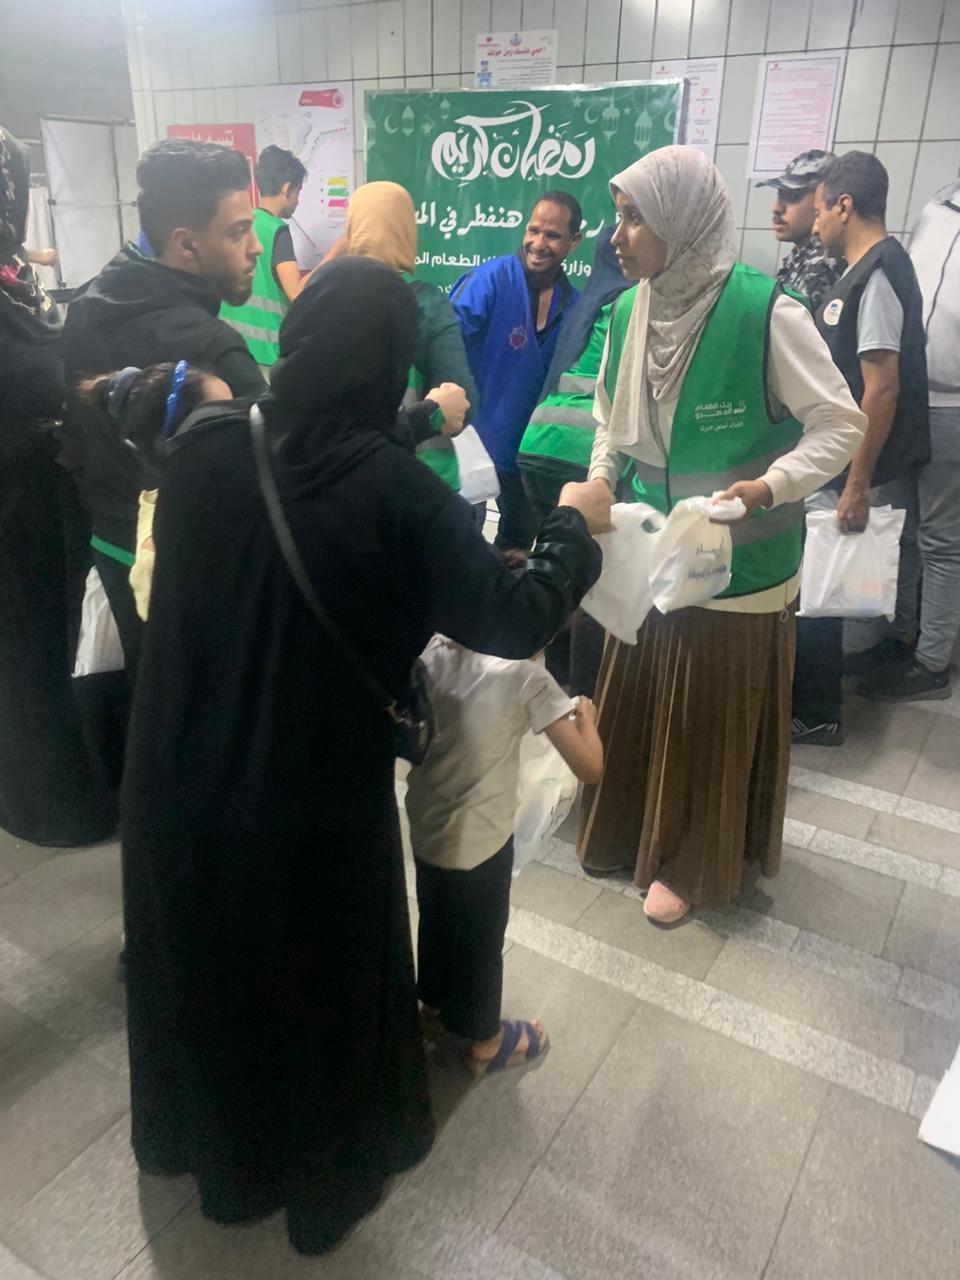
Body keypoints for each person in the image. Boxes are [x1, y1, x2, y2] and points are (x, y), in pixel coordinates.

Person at [119, 255, 611, 1255]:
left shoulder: (208, 447)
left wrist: (418, 424)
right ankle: (323, 1182)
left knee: (209, 962)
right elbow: (512, 617)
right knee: (319, 977)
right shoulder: (398, 495)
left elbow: (306, 464)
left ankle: (215, 1149)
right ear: (389, 362)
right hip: (308, 795)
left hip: (177, 770)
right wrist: (574, 526)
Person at [578, 146, 865, 924]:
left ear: (683, 222)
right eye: (617, 216)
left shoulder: (764, 312)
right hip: (653, 550)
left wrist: (772, 484)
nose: (616, 236)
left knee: (705, 712)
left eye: (633, 218)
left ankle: (693, 858)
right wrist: (602, 476)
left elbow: (841, 424)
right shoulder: (629, 311)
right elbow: (607, 415)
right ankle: (636, 830)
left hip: (741, 562)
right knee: (642, 693)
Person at [60, 138, 265, 779]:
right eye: (238, 232)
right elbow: (283, 467)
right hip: (190, 576)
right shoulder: (214, 352)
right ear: (185, 244)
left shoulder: (87, 305)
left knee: (152, 716)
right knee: (208, 737)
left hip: (112, 550)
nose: (257, 247)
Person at [406, 636, 603, 1074]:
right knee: (482, 938)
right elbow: (589, 766)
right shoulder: (525, 677)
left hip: (426, 829)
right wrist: (587, 719)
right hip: (482, 843)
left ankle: (433, 1005)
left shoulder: (436, 648)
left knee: (437, 918)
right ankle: (486, 1041)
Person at [0, 127, 115, 846]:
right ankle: (46, 805)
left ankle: (79, 783)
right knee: (26, 657)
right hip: (12, 512)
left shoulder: (15, 276)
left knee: (64, 642)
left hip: (54, 504)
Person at [792, 151, 930, 741]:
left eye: (821, 209)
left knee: (823, 590)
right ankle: (820, 700)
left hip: (855, 468)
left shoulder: (876, 274)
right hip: (847, 462)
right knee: (827, 587)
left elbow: (882, 387)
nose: (817, 221)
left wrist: (856, 484)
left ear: (844, 206)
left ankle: (817, 713)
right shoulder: (867, 270)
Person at [516, 226, 631, 694]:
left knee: (558, 565)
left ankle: (549, 680)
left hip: (537, 448)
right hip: (580, 456)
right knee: (592, 581)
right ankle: (584, 698)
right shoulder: (630, 306)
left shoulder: (588, 301)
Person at [860, 181, 960, 701]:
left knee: (940, 540)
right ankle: (900, 637)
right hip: (909, 398)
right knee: (901, 531)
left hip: (955, 407)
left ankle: (931, 662)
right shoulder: (936, 208)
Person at [452, 191, 583, 549]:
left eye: (552, 235)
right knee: (459, 543)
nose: (538, 244)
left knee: (517, 547)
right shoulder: (491, 280)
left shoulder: (575, 306)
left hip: (526, 454)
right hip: (471, 443)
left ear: (574, 242)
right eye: (533, 230)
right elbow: (445, 343)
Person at [338, 180, 475, 489]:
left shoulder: (321, 300)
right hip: (421, 479)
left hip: (346, 477)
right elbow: (465, 403)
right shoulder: (426, 303)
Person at [75, 363, 233, 621]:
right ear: (180, 440)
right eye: (224, 415)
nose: (241, 420)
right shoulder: (162, 552)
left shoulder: (219, 497)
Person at [220, 145, 307, 370]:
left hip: (230, 348)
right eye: (298, 192)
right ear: (286, 189)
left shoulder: (239, 223)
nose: (298, 201)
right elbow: (296, 293)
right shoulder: (277, 230)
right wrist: (338, 251)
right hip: (265, 355)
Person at [758, 149, 844, 309]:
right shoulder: (801, 255)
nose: (776, 208)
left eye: (794, 197)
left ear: (824, 201)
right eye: (779, 195)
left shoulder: (823, 264)